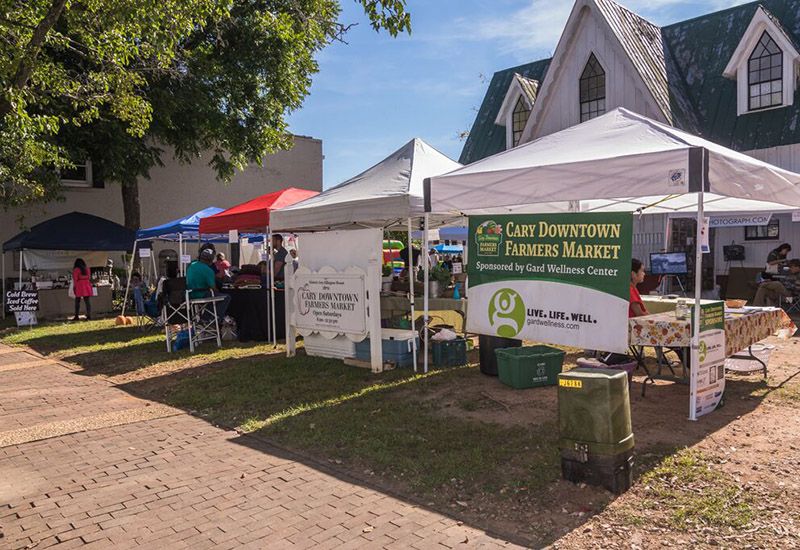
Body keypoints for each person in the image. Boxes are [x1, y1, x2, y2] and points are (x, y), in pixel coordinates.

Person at [187, 247, 230, 319]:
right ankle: (209, 319)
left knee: (214, 297)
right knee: (226, 297)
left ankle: (207, 319)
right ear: (211, 260)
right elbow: (213, 288)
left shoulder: (191, 265)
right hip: (202, 294)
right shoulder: (208, 270)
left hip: (189, 294)